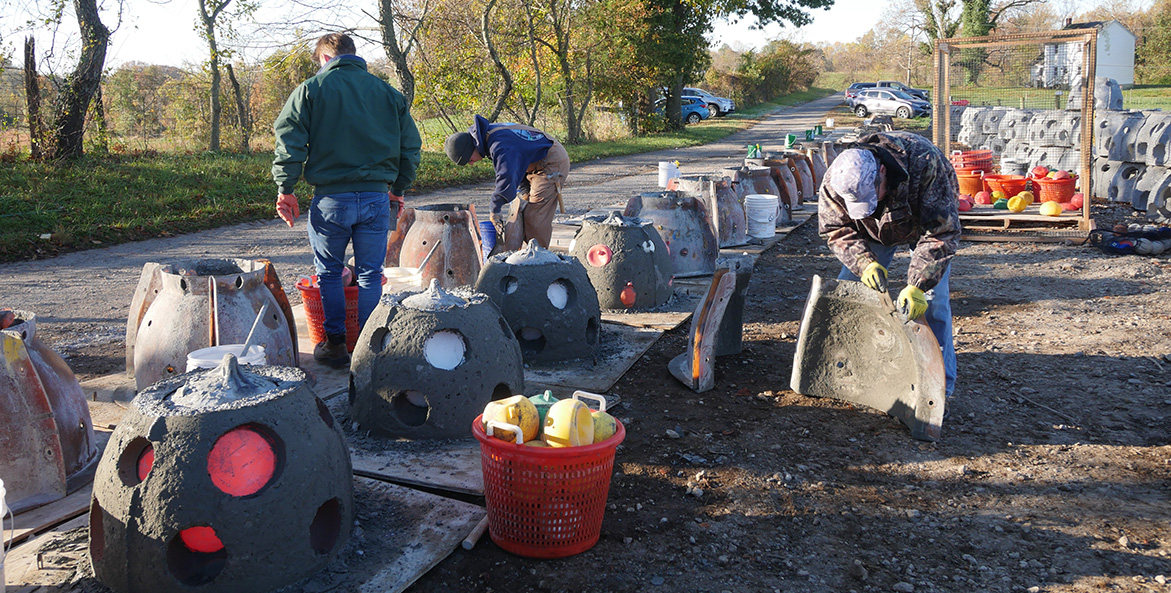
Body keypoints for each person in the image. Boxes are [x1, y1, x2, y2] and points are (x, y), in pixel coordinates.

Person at [272, 33, 421, 368]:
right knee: (370, 274)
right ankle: (370, 348)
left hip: (331, 200)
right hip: (374, 197)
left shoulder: (310, 90)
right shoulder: (388, 93)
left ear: (324, 59)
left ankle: (336, 345)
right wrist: (398, 186)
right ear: (355, 56)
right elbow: (410, 147)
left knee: (329, 273)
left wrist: (286, 187)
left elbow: (289, 142)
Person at [817, 131, 961, 401]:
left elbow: (942, 232)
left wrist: (918, 284)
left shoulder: (925, 163)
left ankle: (939, 391)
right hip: (874, 233)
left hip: (924, 223)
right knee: (850, 290)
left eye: (871, 197)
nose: (868, 206)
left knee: (934, 303)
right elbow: (836, 229)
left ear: (882, 170)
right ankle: (854, 369)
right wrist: (864, 263)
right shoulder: (837, 179)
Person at [443, 116, 569, 249]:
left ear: (471, 148)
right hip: (535, 160)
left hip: (551, 161)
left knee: (535, 214)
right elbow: (517, 162)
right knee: (521, 208)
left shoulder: (499, 145)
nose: (472, 163)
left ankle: (538, 259)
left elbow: (506, 178)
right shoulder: (488, 136)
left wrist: (495, 208)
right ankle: (521, 252)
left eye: (469, 160)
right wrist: (524, 189)